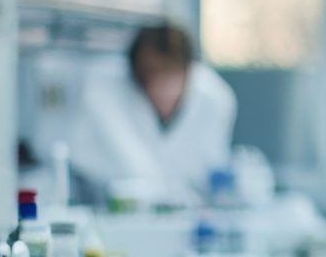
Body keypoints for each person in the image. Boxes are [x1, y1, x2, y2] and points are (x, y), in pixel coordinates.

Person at [70, 21, 238, 203]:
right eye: (156, 83)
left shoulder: (216, 99)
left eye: (171, 81)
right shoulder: (104, 91)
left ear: (189, 72)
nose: (165, 95)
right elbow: (126, 162)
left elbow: (212, 168)